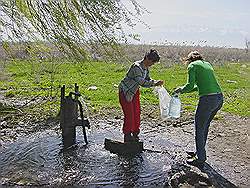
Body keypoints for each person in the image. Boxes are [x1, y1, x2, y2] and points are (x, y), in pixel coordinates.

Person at [174, 51, 223, 168]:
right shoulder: (207, 64)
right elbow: (198, 87)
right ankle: (199, 151)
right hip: (219, 98)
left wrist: (179, 89)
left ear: (189, 60)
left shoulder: (192, 66)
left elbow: (190, 86)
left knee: (199, 128)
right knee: (204, 126)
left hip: (208, 100)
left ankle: (200, 158)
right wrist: (183, 90)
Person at [119, 49, 164, 142]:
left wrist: (155, 82)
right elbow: (141, 82)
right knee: (129, 114)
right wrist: (154, 83)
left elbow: (147, 79)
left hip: (134, 91)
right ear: (147, 58)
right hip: (125, 91)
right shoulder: (136, 67)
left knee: (137, 112)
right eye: (152, 62)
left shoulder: (146, 68)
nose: (152, 64)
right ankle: (127, 135)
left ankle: (135, 133)